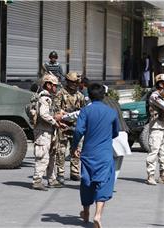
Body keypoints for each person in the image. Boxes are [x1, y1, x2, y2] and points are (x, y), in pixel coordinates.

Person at [70, 83, 119, 227]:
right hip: (104, 154)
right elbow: (115, 132)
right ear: (103, 96)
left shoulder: (85, 111)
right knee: (103, 182)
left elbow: (78, 131)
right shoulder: (111, 112)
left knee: (87, 182)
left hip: (88, 153)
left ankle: (86, 212)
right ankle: (97, 215)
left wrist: (74, 147)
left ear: (89, 96)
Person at [32, 73, 64, 191]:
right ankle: (37, 181)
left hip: (49, 131)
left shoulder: (49, 97)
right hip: (43, 132)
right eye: (54, 85)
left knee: (51, 156)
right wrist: (55, 122)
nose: (56, 88)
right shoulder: (44, 98)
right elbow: (43, 114)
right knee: (43, 156)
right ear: (48, 85)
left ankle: (52, 179)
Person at [53, 72, 85, 183]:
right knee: (61, 150)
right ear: (68, 81)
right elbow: (56, 110)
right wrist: (65, 115)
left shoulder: (80, 95)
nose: (75, 84)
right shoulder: (60, 93)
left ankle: (74, 172)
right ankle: (60, 173)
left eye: (77, 82)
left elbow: (84, 111)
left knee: (76, 149)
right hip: (63, 126)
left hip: (76, 126)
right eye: (73, 82)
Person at [102, 85, 131, 183]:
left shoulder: (100, 103)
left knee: (107, 159)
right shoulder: (114, 101)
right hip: (123, 132)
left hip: (112, 133)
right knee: (118, 160)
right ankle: (111, 182)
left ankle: (106, 183)